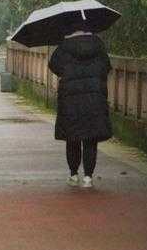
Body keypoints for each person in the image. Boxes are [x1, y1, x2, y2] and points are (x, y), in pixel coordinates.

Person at [48, 19, 112, 188]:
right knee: (91, 138)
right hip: (94, 98)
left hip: (70, 99)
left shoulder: (64, 46)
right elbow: (106, 67)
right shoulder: (98, 45)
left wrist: (67, 72)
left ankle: (73, 174)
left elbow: (53, 66)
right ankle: (89, 177)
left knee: (72, 136)